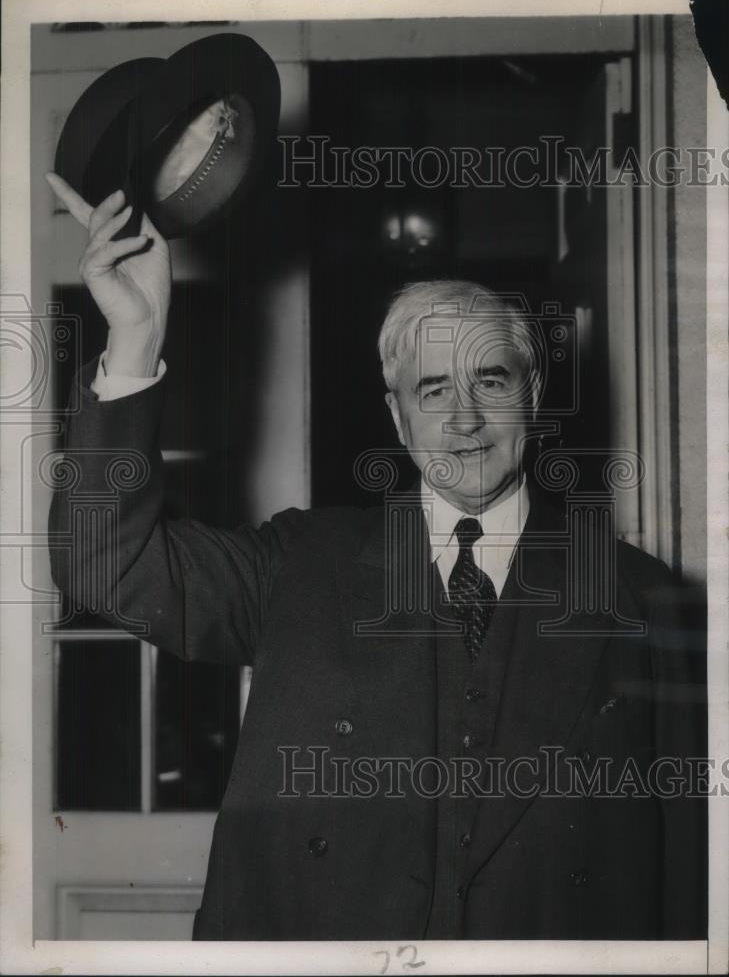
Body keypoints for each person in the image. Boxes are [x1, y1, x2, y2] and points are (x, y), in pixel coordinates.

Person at [46, 173, 707, 941]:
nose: (463, 418)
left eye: (488, 381)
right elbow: (99, 564)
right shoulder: (298, 563)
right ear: (397, 417)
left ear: (531, 397)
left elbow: (687, 867)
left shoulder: (636, 594)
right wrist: (136, 337)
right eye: (432, 390)